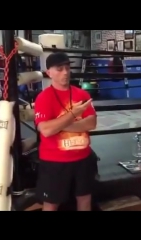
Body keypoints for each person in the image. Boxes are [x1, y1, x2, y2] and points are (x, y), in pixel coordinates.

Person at [34, 52, 97, 211]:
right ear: (49, 72)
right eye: (59, 69)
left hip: (83, 158)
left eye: (67, 68)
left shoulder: (81, 93)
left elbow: (91, 123)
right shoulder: (44, 98)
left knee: (85, 200)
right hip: (55, 162)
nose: (65, 72)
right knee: (51, 204)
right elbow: (46, 131)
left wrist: (59, 125)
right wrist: (74, 114)